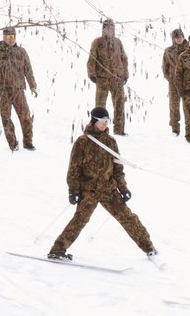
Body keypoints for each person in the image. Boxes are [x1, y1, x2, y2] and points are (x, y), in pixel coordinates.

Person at [48, 107, 157, 261]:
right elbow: (73, 169)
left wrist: (123, 188)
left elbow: (118, 168)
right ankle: (57, 251)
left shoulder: (111, 142)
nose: (105, 124)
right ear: (94, 121)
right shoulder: (82, 142)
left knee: (128, 217)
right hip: (89, 190)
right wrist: (73, 191)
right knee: (79, 220)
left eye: (107, 122)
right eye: (102, 122)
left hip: (109, 190)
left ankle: (149, 248)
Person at [0, 26, 38, 151]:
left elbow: (28, 70)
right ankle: (12, 143)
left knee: (25, 116)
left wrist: (33, 86)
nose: (11, 40)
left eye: (13, 37)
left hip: (18, 89)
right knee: (6, 117)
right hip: (3, 89)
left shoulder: (21, 52)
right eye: (8, 37)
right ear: (4, 38)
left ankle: (28, 142)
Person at [87, 18, 130, 135]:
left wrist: (125, 74)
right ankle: (97, 130)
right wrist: (92, 74)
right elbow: (92, 59)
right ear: (103, 29)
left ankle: (119, 129)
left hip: (117, 79)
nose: (109, 30)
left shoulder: (118, 42)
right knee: (100, 106)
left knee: (119, 103)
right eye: (106, 27)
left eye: (111, 27)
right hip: (102, 79)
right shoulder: (97, 42)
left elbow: (124, 58)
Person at [161, 28, 187, 136]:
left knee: (188, 107)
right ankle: (175, 130)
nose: (179, 39)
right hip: (173, 84)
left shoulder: (189, 49)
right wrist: (171, 79)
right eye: (177, 37)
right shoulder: (168, 51)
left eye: (181, 37)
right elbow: (165, 68)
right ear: (173, 38)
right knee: (174, 106)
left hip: (187, 83)